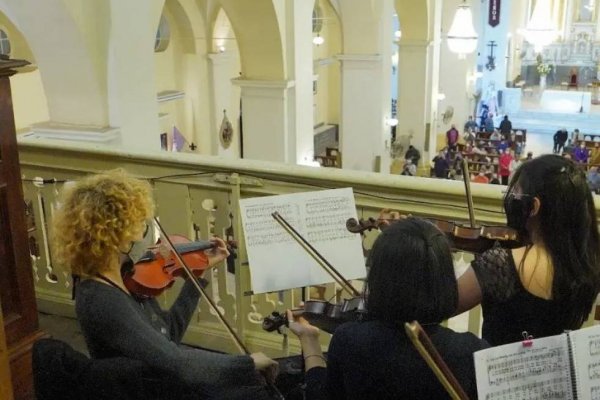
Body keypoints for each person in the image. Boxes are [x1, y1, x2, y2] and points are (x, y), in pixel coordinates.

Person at [51, 169, 278, 399]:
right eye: (140, 225)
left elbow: (168, 334)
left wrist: (197, 273)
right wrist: (246, 363)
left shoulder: (126, 277)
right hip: (143, 391)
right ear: (116, 233)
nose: (145, 235)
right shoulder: (101, 300)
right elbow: (175, 361)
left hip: (159, 380)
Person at [287, 218, 489, 400]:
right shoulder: (471, 351)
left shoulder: (350, 340)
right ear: (445, 281)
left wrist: (309, 340)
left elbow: (321, 395)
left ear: (379, 278)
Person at [456, 155, 600, 346]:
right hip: (556, 373)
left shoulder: (500, 264)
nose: (513, 199)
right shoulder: (588, 263)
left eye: (516, 193)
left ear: (533, 207)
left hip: (499, 372)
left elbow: (440, 304)